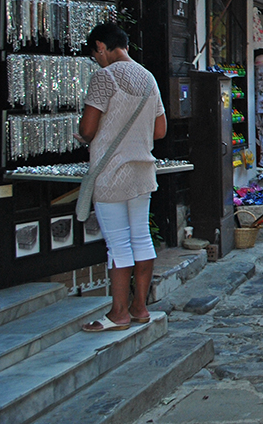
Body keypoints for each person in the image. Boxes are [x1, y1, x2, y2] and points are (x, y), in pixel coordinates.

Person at [77, 23, 166, 332]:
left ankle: (119, 313)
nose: (96, 60)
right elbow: (160, 130)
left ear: (101, 47)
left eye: (95, 54)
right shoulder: (148, 78)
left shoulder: (103, 77)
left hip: (111, 172)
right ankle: (140, 307)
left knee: (117, 244)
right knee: (141, 236)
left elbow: (88, 130)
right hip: (142, 171)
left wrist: (86, 134)